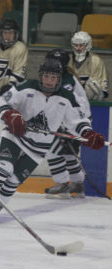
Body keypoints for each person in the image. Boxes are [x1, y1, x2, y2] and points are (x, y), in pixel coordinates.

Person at [0, 58, 104, 222]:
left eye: (53, 77)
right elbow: (5, 100)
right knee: (4, 167)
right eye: (46, 76)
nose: (49, 81)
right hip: (15, 136)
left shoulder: (67, 97)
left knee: (14, 179)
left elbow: (77, 121)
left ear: (59, 79)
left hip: (38, 148)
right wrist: (10, 114)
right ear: (40, 76)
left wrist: (88, 134)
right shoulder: (27, 86)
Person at [43, 49, 91, 199]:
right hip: (75, 121)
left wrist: (65, 126)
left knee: (52, 150)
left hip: (76, 122)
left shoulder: (66, 81)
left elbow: (68, 105)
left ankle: (62, 184)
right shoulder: (62, 77)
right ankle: (78, 184)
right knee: (69, 154)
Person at [68, 31, 109, 101]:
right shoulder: (67, 60)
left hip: (91, 100)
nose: (78, 48)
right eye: (75, 45)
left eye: (81, 45)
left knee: (92, 86)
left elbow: (99, 86)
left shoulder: (96, 61)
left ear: (88, 45)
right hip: (70, 99)